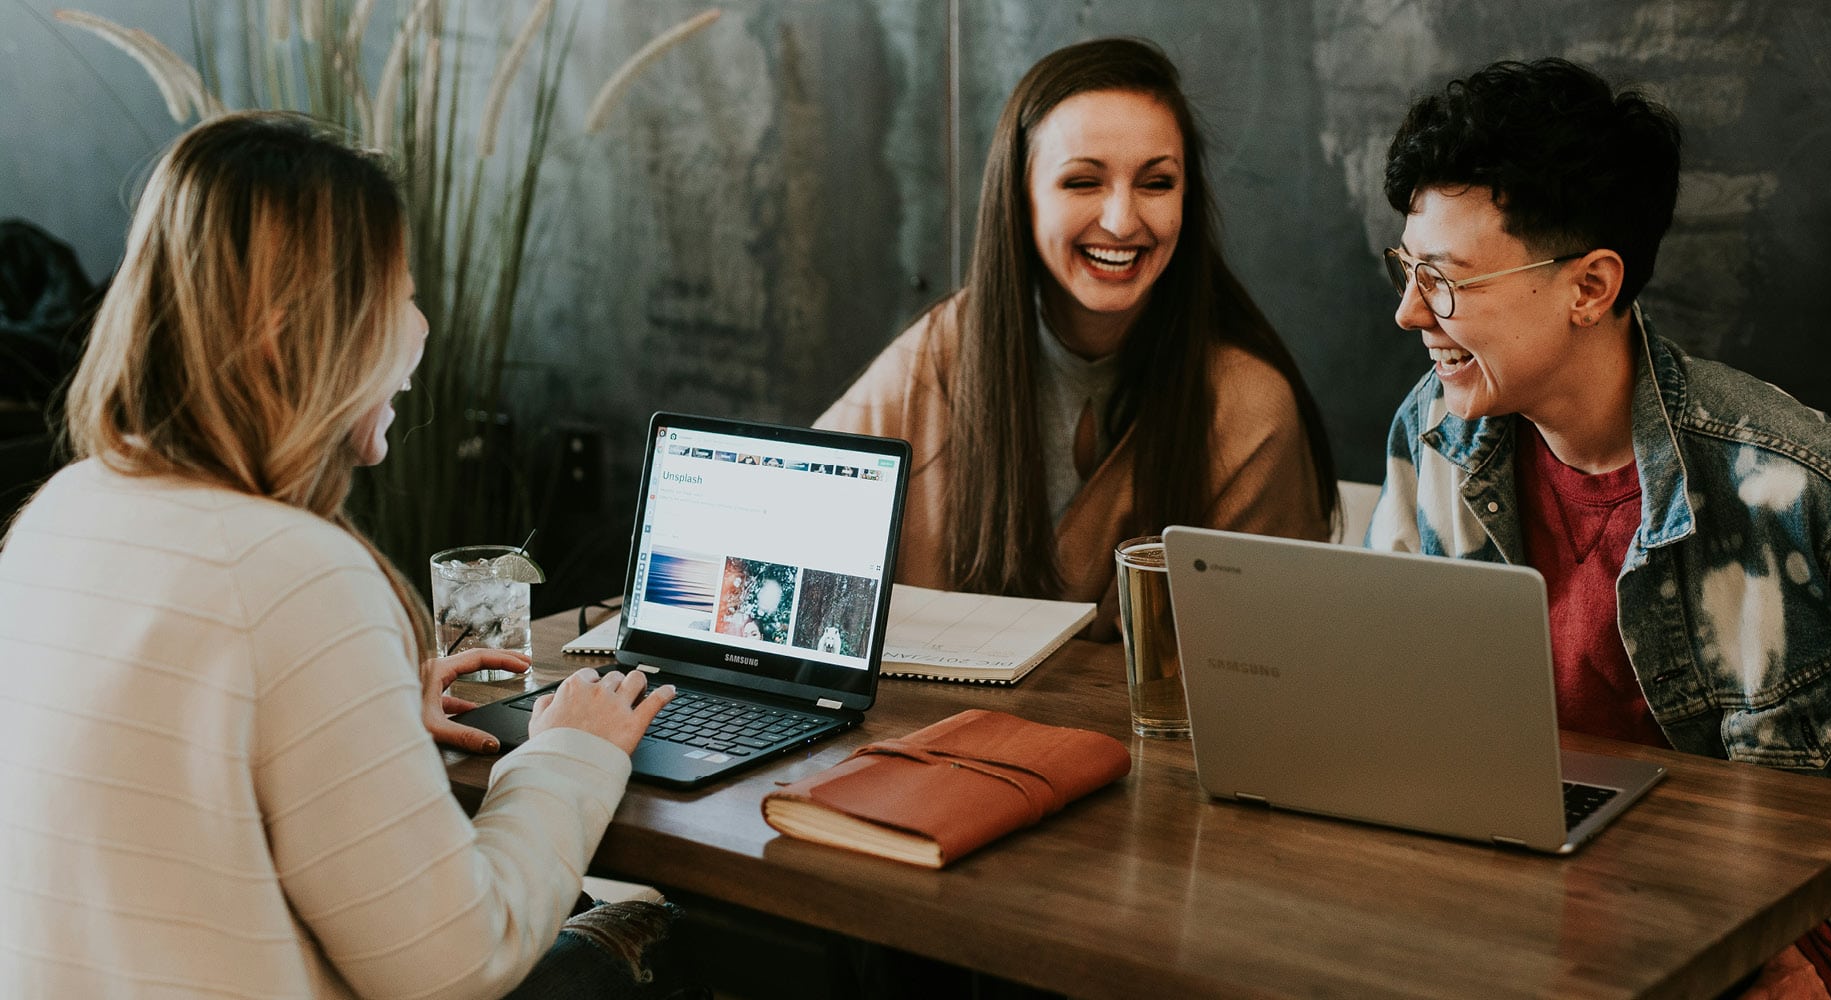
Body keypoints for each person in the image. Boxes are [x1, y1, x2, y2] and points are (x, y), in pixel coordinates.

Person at [0, 112, 701, 999]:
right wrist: (568, 752)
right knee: (651, 932)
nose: (422, 329)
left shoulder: (62, 512)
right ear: (290, 334)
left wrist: (361, 720)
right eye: (399, 296)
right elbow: (456, 962)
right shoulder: (294, 572)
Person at [1368, 58, 1831, 999]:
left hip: (1771, 952)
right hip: (1529, 930)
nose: (1409, 310)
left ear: (1590, 287)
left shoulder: (1805, 485)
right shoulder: (1435, 434)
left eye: (1446, 280)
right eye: (1407, 268)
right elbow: (1390, 704)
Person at [817, 37, 1337, 639]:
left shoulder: (1248, 407)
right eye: (1082, 182)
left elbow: (1269, 666)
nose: (1122, 221)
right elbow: (791, 518)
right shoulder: (938, 354)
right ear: (1021, 197)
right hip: (926, 732)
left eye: (1157, 183)